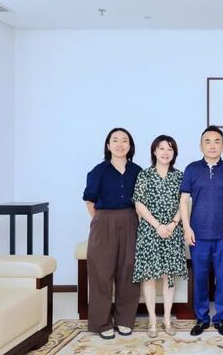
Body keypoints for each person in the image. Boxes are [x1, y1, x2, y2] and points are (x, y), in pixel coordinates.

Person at [180, 125, 223, 337]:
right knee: (200, 278)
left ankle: (220, 319)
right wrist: (186, 228)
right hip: (197, 235)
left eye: (217, 141)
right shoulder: (191, 169)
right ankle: (202, 318)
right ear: (201, 146)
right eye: (208, 141)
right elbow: (183, 200)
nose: (212, 145)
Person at [82, 127, 142, 339]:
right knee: (101, 272)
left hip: (130, 220)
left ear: (130, 145)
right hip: (103, 221)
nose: (120, 144)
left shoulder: (138, 171)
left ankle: (125, 320)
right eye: (115, 140)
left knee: (128, 270)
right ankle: (102, 323)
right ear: (108, 145)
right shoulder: (98, 171)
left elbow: (142, 202)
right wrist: (101, 221)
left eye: (124, 140)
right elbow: (90, 201)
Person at [132, 135, 187, 338]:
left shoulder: (180, 176)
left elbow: (184, 203)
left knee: (168, 277)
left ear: (174, 153)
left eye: (170, 149)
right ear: (154, 151)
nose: (165, 152)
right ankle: (153, 321)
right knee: (149, 277)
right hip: (150, 232)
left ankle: (167, 319)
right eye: (161, 148)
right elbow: (139, 203)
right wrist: (157, 226)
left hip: (173, 231)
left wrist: (172, 224)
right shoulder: (144, 175)